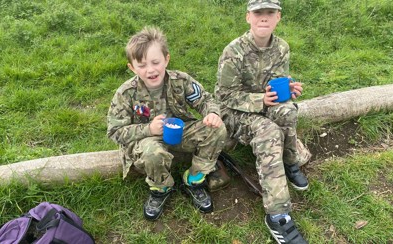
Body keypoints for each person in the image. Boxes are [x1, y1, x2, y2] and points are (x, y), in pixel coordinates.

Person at [107, 26, 227, 221]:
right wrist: (149, 129)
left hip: (180, 132)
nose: (151, 70)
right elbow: (115, 132)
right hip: (148, 140)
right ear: (132, 67)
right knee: (153, 153)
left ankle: (194, 179)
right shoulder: (126, 93)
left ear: (166, 59)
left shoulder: (180, 81)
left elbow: (205, 99)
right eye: (142, 65)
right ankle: (161, 187)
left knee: (217, 128)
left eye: (156, 62)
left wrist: (212, 113)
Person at [215, 0, 308, 243]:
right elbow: (224, 96)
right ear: (248, 17)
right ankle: (277, 215)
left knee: (288, 112)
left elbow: (276, 83)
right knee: (267, 131)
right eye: (258, 13)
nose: (263, 18)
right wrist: (261, 101)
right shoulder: (233, 51)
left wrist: (287, 89)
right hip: (234, 112)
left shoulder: (282, 48)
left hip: (264, 103)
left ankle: (290, 163)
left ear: (278, 17)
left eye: (269, 13)